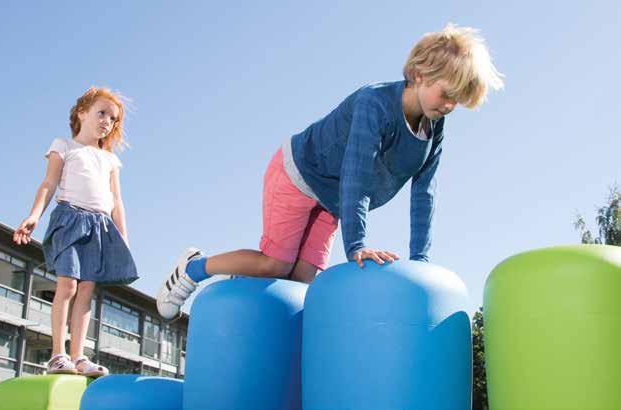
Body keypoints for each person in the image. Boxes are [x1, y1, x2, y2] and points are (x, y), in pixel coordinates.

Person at [157, 23, 504, 319]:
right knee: (277, 264)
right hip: (299, 176)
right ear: (418, 74)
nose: (449, 106)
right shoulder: (375, 103)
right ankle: (194, 268)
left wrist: (421, 261)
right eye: (447, 94)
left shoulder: (434, 127)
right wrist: (357, 246)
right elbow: (357, 172)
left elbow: (425, 192)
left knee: (305, 280)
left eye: (457, 101)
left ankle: (246, 281)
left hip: (332, 199)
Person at [14, 87, 138, 376]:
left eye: (113, 118)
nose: (107, 121)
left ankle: (79, 356)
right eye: (102, 112)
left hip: (99, 225)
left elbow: (117, 201)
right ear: (82, 112)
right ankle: (58, 354)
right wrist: (34, 215)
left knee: (86, 290)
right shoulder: (64, 146)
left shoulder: (110, 160)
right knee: (68, 286)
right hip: (69, 218)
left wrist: (123, 237)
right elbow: (49, 183)